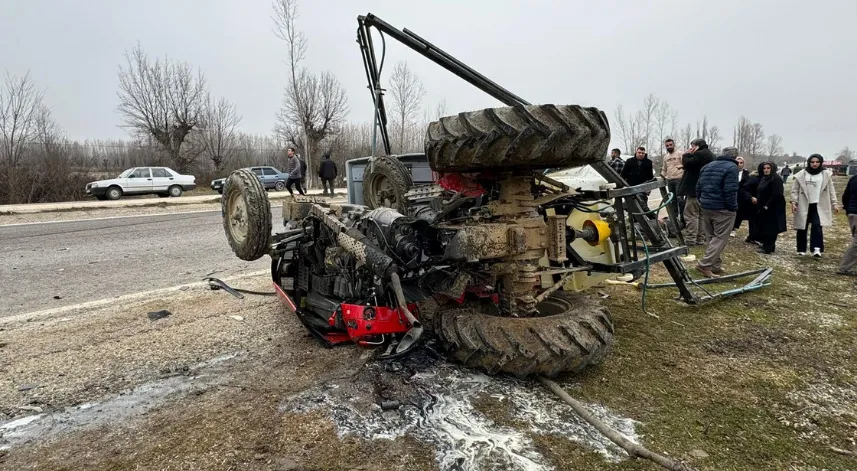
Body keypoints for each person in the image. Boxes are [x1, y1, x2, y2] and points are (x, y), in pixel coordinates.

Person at [694, 146, 739, 277]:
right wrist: (733, 207)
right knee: (720, 238)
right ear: (734, 156)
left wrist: (701, 201)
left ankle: (715, 265)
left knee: (711, 237)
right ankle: (705, 265)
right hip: (722, 208)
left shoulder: (707, 166)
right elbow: (730, 191)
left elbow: (698, 187)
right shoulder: (732, 168)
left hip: (706, 206)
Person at [790, 154, 839, 257]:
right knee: (802, 226)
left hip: (818, 204)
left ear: (820, 163)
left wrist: (834, 203)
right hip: (804, 203)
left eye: (817, 162)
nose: (815, 164)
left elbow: (831, 190)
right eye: (812, 162)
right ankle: (801, 249)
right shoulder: (802, 174)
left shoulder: (826, 174)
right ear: (809, 163)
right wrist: (794, 202)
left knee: (817, 225)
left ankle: (817, 248)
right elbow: (795, 190)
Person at [679, 138, 716, 246]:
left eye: (692, 146)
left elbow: (687, 163)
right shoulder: (711, 155)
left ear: (696, 146)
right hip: (706, 190)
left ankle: (691, 240)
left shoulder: (699, 154)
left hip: (695, 189)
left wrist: (686, 154)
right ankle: (700, 239)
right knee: (701, 216)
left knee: (691, 215)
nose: (691, 149)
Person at [755, 162, 787, 254]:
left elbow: (777, 194)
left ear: (772, 168)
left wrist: (767, 205)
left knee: (771, 228)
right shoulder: (765, 178)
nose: (766, 170)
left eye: (768, 168)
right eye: (764, 168)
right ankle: (766, 245)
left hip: (773, 207)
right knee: (764, 226)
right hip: (764, 206)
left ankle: (768, 247)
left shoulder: (776, 179)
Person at [621, 147, 654, 213]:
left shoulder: (648, 162)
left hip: (643, 187)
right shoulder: (629, 161)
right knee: (631, 204)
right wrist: (623, 185)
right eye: (639, 153)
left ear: (644, 154)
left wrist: (649, 189)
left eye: (642, 153)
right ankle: (633, 215)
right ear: (636, 153)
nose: (641, 154)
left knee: (642, 204)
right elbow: (623, 174)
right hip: (631, 186)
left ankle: (647, 216)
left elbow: (650, 176)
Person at [660, 139, 685, 226]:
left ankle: (683, 219)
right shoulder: (666, 157)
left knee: (680, 199)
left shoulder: (680, 153)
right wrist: (662, 176)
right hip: (670, 180)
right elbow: (664, 168)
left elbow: (686, 164)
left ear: (674, 145)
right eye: (667, 145)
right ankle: (675, 219)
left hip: (679, 179)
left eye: (670, 145)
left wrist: (681, 167)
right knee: (672, 200)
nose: (669, 147)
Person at [837, 173, 857, 276]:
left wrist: (848, 209)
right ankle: (844, 268)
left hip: (852, 212)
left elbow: (845, 196)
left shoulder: (854, 178)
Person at [730, 156, 751, 237]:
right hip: (731, 195)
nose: (739, 164)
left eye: (741, 163)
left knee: (739, 213)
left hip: (741, 197)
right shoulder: (730, 171)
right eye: (737, 162)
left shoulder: (746, 173)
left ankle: (734, 228)